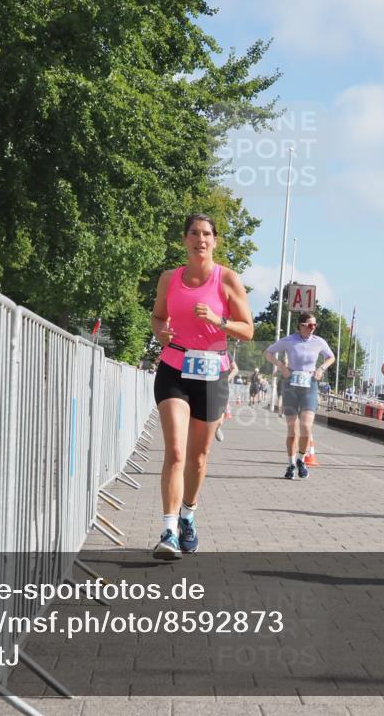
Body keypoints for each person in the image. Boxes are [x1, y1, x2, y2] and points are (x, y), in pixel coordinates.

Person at [150, 214, 253, 559]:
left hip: (212, 372)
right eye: (194, 233)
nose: (200, 239)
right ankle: (168, 531)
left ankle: (188, 516)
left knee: (197, 457)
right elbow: (158, 317)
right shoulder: (169, 279)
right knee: (176, 452)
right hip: (174, 367)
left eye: (207, 234)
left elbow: (248, 330)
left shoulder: (228, 280)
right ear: (184, 240)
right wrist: (160, 331)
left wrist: (217, 320)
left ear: (215, 240)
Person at [264, 312, 335, 480]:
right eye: (310, 325)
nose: (313, 328)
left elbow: (331, 357)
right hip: (291, 385)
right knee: (292, 429)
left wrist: (321, 369)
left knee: (306, 426)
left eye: (315, 325)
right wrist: (281, 367)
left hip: (310, 385)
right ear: (301, 325)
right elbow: (268, 353)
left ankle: (301, 460)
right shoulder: (289, 340)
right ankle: (291, 464)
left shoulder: (319, 341)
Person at [215, 357, 239, 443]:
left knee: (219, 421)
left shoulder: (225, 352)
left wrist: (226, 379)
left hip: (220, 389)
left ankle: (217, 427)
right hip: (203, 386)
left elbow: (235, 369)